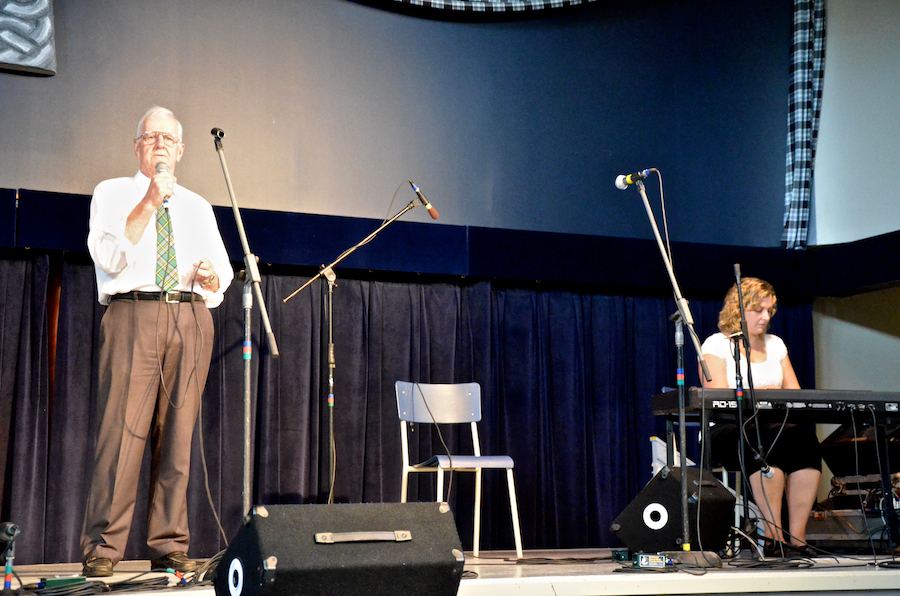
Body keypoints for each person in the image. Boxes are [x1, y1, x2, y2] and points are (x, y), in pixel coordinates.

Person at [81, 106, 233, 577]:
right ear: (137, 147)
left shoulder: (198, 205)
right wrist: (149, 201)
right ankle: (103, 548)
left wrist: (210, 276)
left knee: (178, 438)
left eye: (168, 138)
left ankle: (169, 544)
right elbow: (108, 257)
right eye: (151, 137)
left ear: (181, 150)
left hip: (189, 316)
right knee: (120, 436)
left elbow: (223, 273)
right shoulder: (112, 192)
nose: (160, 144)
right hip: (134, 313)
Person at [700, 277, 821, 558]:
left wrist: (774, 397)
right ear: (738, 310)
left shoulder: (776, 345)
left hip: (771, 426)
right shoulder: (717, 344)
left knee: (804, 439)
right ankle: (773, 538)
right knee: (763, 441)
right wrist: (759, 396)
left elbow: (795, 393)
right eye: (759, 310)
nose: (766, 317)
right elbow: (716, 395)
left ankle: (798, 540)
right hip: (727, 430)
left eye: (770, 310)